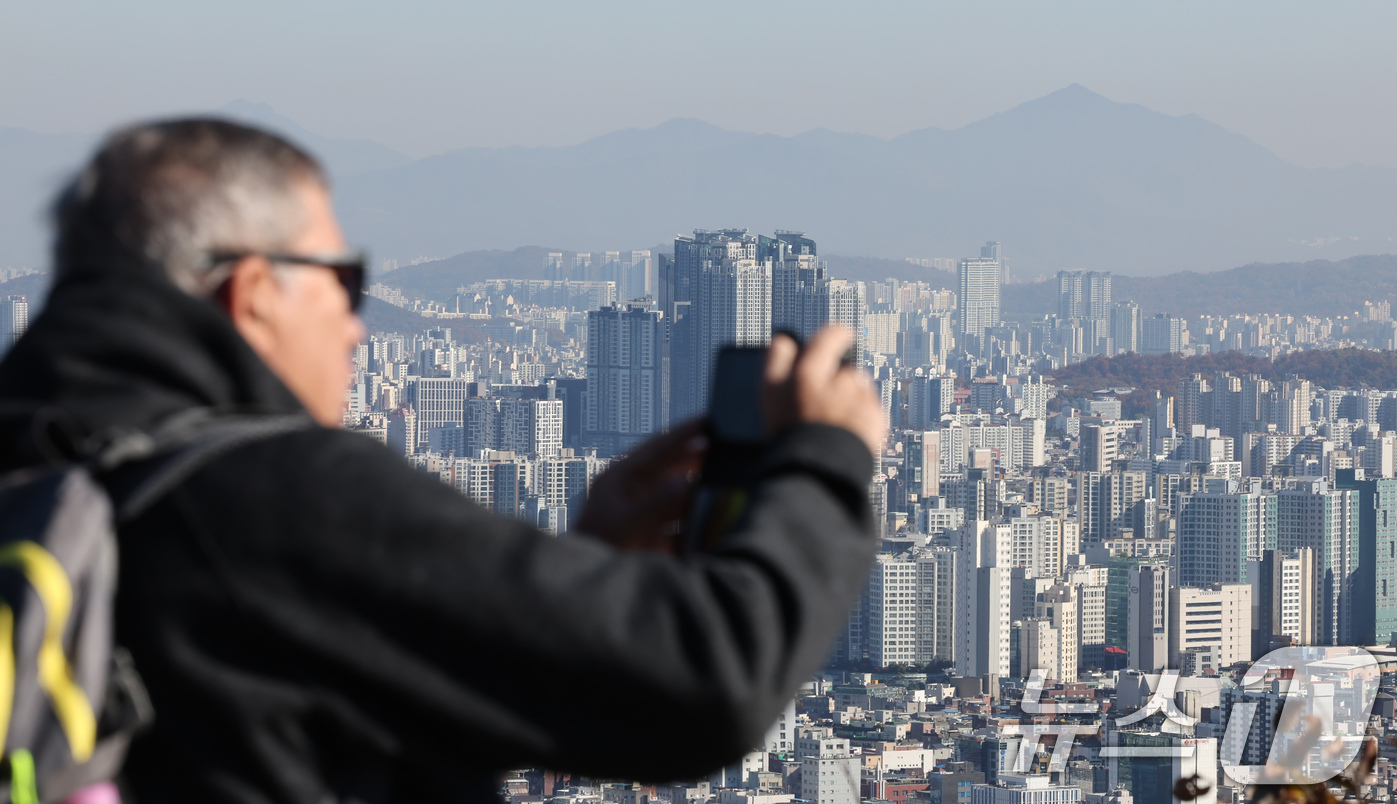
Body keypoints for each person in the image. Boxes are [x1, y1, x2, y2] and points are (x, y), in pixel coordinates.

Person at [0, 119, 886, 804]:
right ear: (254, 290)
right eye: (345, 279)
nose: (359, 322)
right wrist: (822, 459)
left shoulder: (39, 473)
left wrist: (588, 574)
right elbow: (704, 684)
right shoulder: (275, 497)